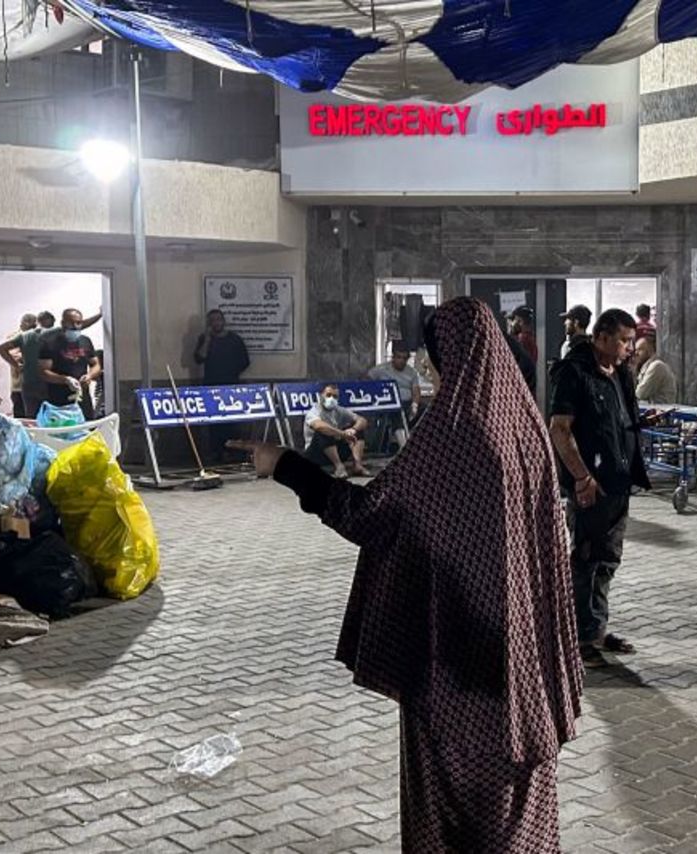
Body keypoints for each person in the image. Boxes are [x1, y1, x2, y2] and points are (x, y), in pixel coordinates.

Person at [228, 297, 582, 852]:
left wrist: (287, 466)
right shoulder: (527, 431)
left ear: (452, 355)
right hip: (519, 659)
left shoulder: (455, 433)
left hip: (454, 660)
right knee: (518, 796)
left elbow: (373, 517)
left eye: (434, 354)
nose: (431, 367)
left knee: (451, 802)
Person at [549, 308, 651, 668]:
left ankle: (595, 629)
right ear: (601, 337)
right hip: (590, 485)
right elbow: (560, 429)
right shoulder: (574, 372)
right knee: (586, 560)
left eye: (631, 340)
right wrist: (580, 477)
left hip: (618, 482)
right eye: (623, 340)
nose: (630, 347)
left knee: (608, 560)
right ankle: (577, 638)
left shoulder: (620, 371)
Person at [194, 309, 251, 463]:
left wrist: (231, 373)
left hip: (231, 386)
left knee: (231, 422)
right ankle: (216, 452)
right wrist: (207, 339)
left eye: (218, 319)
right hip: (211, 386)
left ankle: (233, 452)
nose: (216, 323)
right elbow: (199, 358)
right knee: (214, 422)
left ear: (223, 321)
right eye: (212, 320)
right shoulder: (204, 339)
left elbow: (245, 361)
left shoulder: (234, 339)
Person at [38, 308, 101, 420]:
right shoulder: (50, 342)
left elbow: (96, 365)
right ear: (63, 323)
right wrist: (65, 380)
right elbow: (43, 372)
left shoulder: (85, 341)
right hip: (58, 400)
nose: (75, 326)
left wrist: (90, 376)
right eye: (71, 322)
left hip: (82, 398)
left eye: (79, 322)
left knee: (87, 431)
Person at [303, 384, 371, 478]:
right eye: (328, 395)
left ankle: (358, 465)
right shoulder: (314, 411)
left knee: (358, 429)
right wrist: (342, 434)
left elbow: (362, 420)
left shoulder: (338, 410)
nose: (331, 398)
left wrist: (353, 430)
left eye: (335, 396)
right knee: (325, 431)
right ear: (321, 395)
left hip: (336, 451)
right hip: (316, 454)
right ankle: (339, 467)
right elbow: (319, 426)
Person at [368, 342, 423, 451]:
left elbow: (416, 391)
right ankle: (403, 446)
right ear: (393, 357)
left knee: (426, 408)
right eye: (399, 357)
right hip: (388, 404)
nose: (401, 360)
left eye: (404, 358)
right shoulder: (381, 370)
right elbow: (366, 379)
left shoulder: (412, 372)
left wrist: (415, 405)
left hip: (407, 403)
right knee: (397, 412)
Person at [0, 313, 38, 418]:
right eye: (30, 326)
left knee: (35, 418)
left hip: (36, 386)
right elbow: (15, 356)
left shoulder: (37, 336)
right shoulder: (14, 337)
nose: (32, 329)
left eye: (34, 326)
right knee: (21, 416)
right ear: (23, 324)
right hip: (19, 385)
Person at [632, 336, 678, 405]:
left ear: (650, 351)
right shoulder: (647, 367)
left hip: (661, 412)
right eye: (635, 350)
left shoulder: (656, 366)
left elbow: (640, 394)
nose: (636, 353)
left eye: (640, 349)